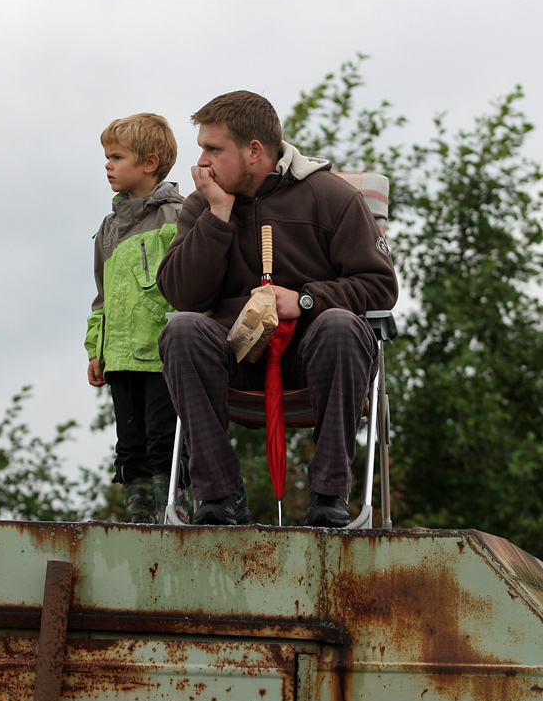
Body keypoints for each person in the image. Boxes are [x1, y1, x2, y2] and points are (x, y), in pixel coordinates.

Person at [156, 91, 398, 527]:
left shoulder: (332, 197)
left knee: (340, 325)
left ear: (254, 151)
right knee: (182, 330)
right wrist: (218, 215)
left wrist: (306, 300)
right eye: (201, 149)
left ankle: (329, 495)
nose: (202, 163)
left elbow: (380, 286)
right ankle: (220, 496)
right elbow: (181, 295)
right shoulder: (203, 204)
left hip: (313, 359)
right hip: (237, 356)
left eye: (214, 149)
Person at [85, 112, 188, 524]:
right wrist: (95, 348)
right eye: (107, 157)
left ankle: (174, 518)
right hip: (120, 358)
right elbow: (101, 298)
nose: (107, 165)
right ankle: (139, 525)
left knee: (165, 442)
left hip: (161, 356)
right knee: (129, 448)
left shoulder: (179, 216)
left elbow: (191, 285)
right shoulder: (108, 229)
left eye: (116, 157)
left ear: (149, 163)